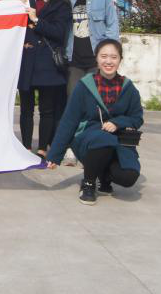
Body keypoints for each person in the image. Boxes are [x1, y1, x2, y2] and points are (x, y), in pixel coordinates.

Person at [46, 38, 143, 205]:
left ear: (120, 59)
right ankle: (88, 183)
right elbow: (69, 120)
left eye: (114, 57)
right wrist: (55, 155)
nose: (108, 61)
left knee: (128, 177)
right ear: (96, 58)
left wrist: (118, 122)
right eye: (104, 56)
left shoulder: (128, 88)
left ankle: (104, 176)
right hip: (88, 140)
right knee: (103, 139)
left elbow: (137, 118)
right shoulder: (84, 86)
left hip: (118, 141)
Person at [17, 0, 71, 156]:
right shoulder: (25, 1)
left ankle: (42, 149)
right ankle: (25, 147)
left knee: (47, 110)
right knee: (26, 109)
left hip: (48, 63)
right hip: (27, 61)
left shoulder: (61, 3)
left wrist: (36, 20)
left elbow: (59, 33)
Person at [63, 0, 120, 100]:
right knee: (74, 101)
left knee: (96, 102)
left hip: (97, 60)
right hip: (73, 61)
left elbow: (112, 26)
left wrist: (109, 56)